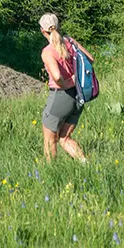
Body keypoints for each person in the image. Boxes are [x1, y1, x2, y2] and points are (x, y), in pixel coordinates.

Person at [37, 12, 87, 162]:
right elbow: (90, 59)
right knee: (64, 138)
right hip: (79, 94)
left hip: (61, 96)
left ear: (42, 30)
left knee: (50, 140)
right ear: (58, 26)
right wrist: (76, 79)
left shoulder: (47, 52)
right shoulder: (70, 42)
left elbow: (57, 76)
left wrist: (66, 83)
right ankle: (87, 165)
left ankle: (51, 172)